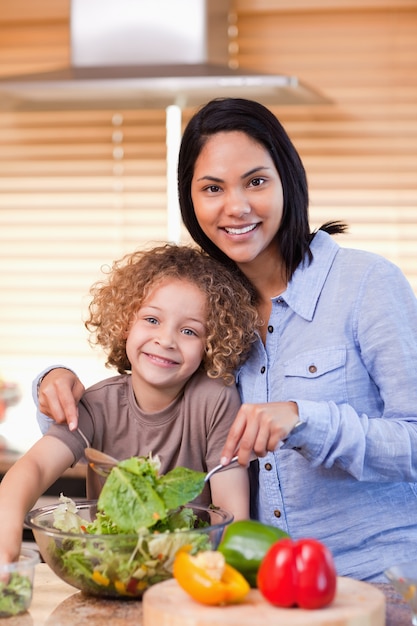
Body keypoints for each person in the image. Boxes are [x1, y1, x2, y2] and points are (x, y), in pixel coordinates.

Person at [34, 98, 417, 583]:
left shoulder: (365, 283)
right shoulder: (205, 307)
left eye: (256, 181)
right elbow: (146, 401)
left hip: (377, 583)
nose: (235, 207)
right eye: (212, 188)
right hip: (253, 588)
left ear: (288, 181)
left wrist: (305, 419)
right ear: (190, 200)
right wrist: (54, 381)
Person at [0, 243, 259, 563]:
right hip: (114, 570)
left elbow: (232, 514)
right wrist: (6, 542)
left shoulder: (215, 400)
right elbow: (34, 468)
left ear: (211, 345)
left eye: (189, 330)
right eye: (151, 320)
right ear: (125, 323)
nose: (165, 340)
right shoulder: (97, 405)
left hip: (189, 574)